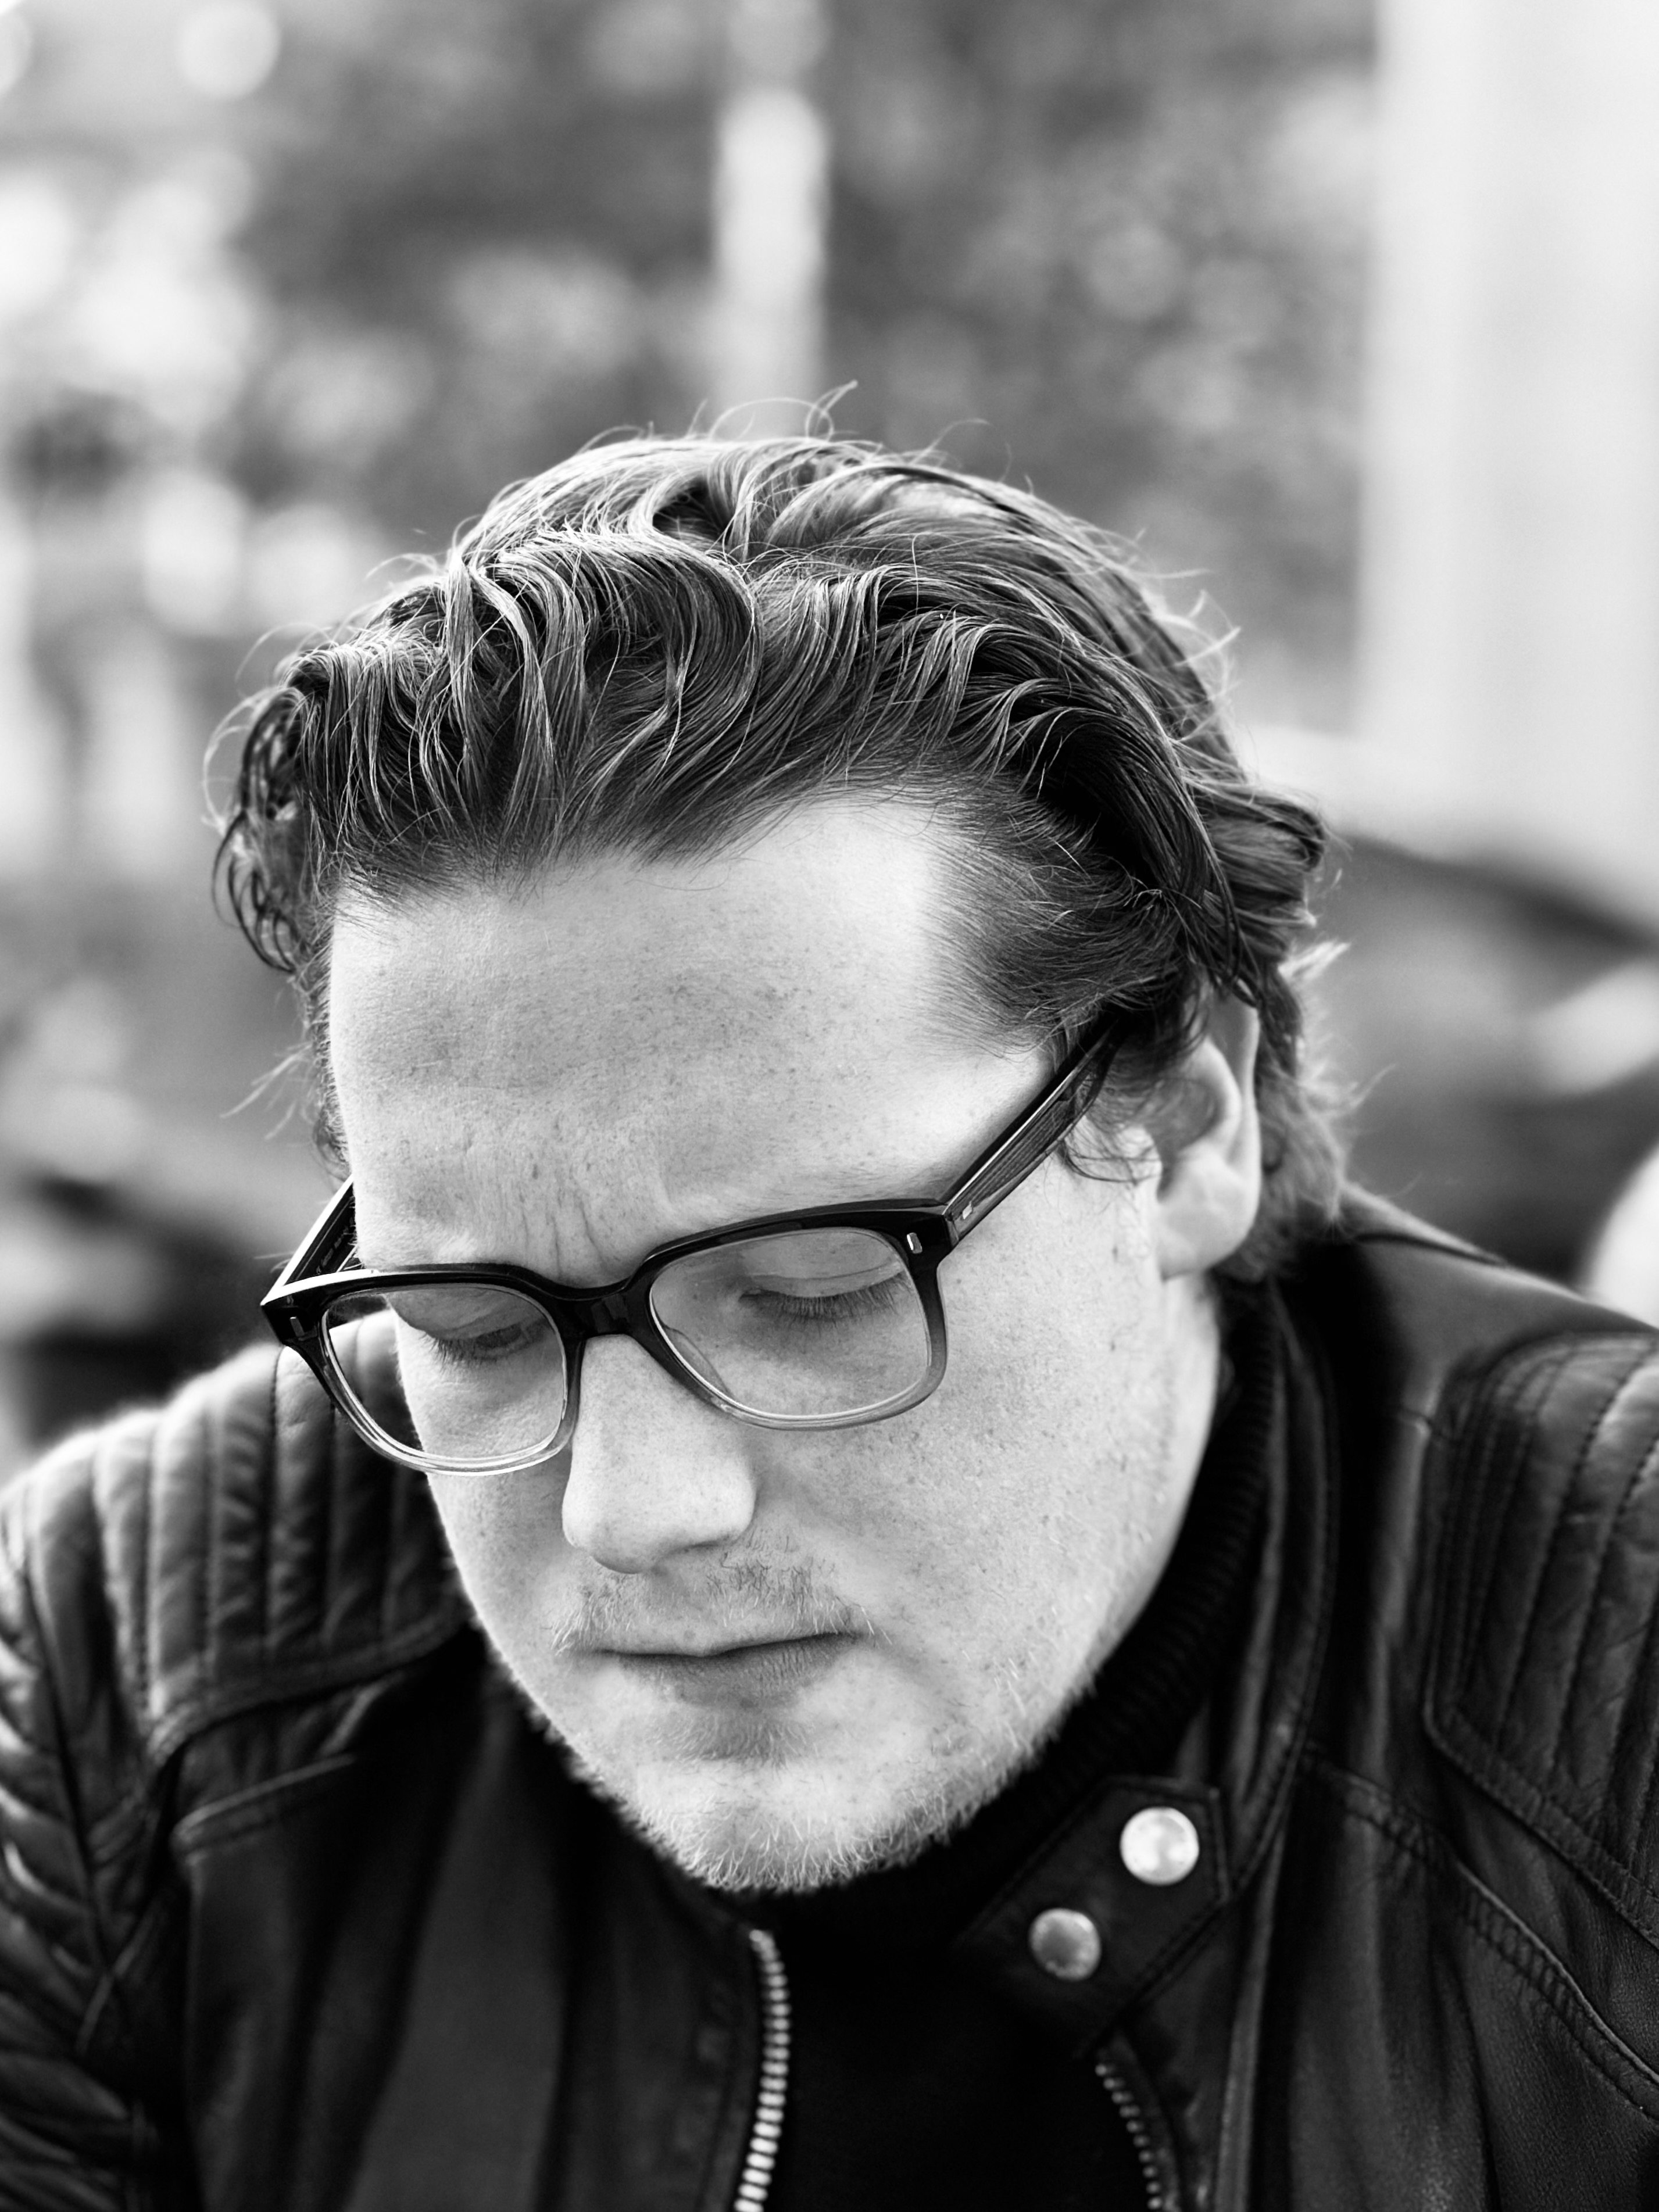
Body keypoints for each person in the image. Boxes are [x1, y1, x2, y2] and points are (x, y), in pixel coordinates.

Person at [2, 435, 1657, 2212]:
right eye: (468, 1327)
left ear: (1182, 1132)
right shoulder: (145, 1673)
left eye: (806, 1296)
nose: (631, 1510)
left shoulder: (1622, 1715)